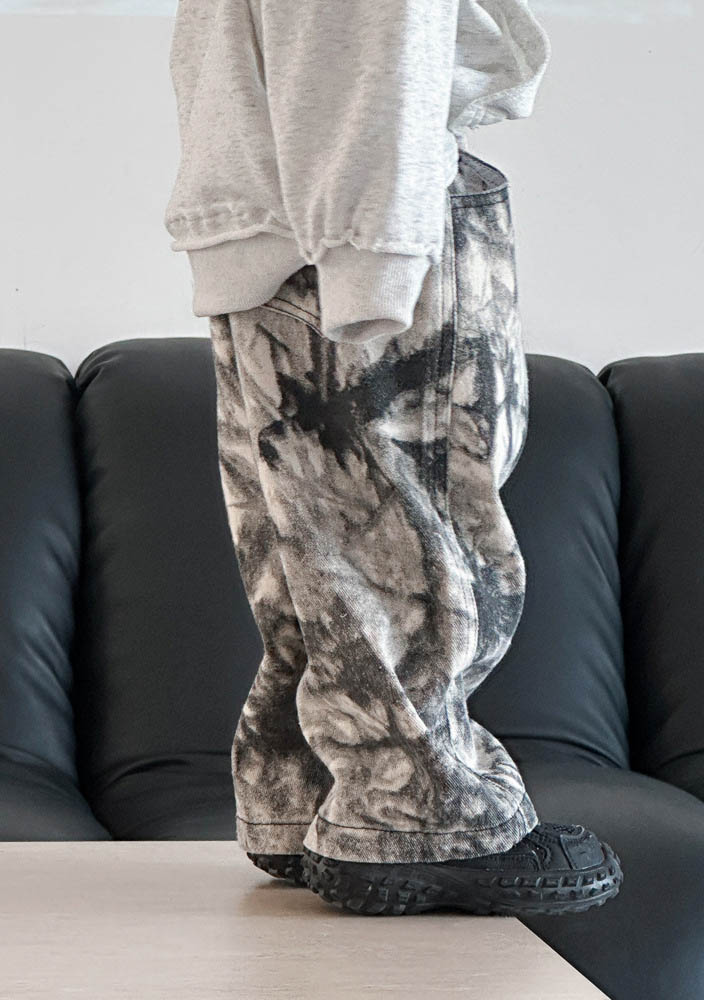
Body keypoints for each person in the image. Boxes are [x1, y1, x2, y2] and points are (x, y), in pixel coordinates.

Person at [164, 0, 624, 916]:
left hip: (270, 217)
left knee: (311, 555)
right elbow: (373, 32)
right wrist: (373, 261)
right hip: (366, 220)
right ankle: (420, 817)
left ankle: (309, 799)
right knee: (419, 548)